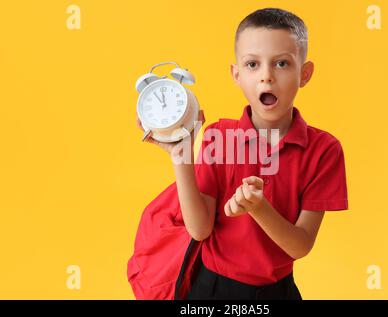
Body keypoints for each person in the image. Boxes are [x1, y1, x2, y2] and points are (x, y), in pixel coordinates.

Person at [136, 7, 349, 300]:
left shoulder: (324, 150)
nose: (266, 77)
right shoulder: (217, 136)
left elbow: (300, 246)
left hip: (277, 293)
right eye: (252, 65)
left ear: (305, 73)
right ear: (236, 74)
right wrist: (181, 157)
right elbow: (199, 230)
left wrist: (258, 208)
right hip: (211, 291)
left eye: (282, 63)